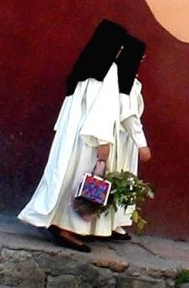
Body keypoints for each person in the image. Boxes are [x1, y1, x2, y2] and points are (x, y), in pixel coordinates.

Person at [18, 19, 127, 252]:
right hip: (90, 139)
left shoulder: (87, 63)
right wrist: (103, 141)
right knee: (80, 179)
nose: (120, 50)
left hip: (73, 134)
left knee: (63, 175)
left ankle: (56, 220)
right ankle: (66, 227)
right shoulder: (109, 68)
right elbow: (103, 107)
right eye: (120, 45)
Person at [111, 34, 151, 240]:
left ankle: (116, 222)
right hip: (120, 139)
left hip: (125, 140)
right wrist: (142, 143)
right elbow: (128, 115)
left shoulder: (129, 80)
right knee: (117, 177)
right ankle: (110, 222)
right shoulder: (121, 80)